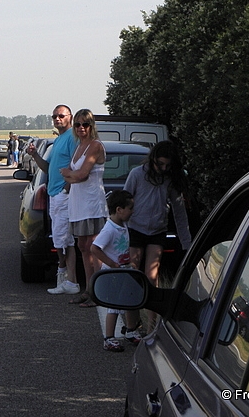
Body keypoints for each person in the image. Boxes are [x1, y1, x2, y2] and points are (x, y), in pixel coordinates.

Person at [123, 140, 192, 328]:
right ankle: (131, 324)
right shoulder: (137, 174)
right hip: (136, 228)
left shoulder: (170, 179)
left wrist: (187, 244)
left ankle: (152, 324)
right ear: (152, 159)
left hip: (157, 231)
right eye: (160, 164)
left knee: (151, 277)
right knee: (133, 275)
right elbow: (124, 200)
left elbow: (179, 213)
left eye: (167, 165)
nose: (163, 168)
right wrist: (118, 230)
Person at [26, 105, 80, 295]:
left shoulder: (72, 138)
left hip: (62, 196)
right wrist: (35, 155)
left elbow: (77, 166)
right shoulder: (58, 141)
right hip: (54, 194)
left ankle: (67, 278)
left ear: (70, 117)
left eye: (61, 116)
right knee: (61, 240)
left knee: (64, 240)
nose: (57, 119)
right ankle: (66, 278)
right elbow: (48, 169)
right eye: (54, 116)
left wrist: (66, 190)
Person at [60, 109, 107, 307]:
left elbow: (82, 175)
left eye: (85, 124)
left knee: (94, 249)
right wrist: (71, 175)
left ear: (91, 126)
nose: (81, 128)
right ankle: (89, 290)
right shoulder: (80, 146)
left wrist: (68, 173)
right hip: (78, 206)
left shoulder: (95, 146)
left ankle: (99, 292)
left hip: (92, 206)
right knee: (83, 248)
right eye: (77, 124)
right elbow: (75, 176)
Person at [91, 190, 142, 351]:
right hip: (113, 273)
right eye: (130, 208)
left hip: (124, 271)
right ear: (119, 209)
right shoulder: (109, 229)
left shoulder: (122, 225)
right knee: (113, 305)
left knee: (130, 301)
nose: (132, 211)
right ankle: (109, 337)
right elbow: (95, 248)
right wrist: (112, 264)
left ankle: (131, 330)